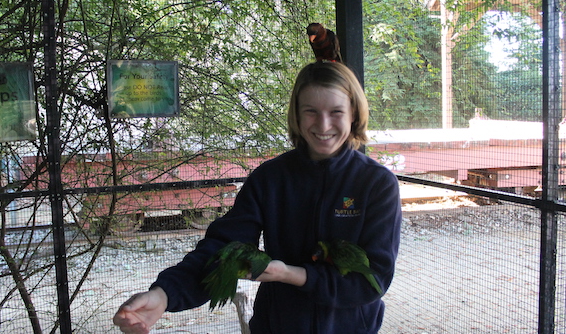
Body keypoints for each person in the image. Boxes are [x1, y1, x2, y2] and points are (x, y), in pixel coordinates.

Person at [113, 60, 402, 334]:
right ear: (297, 115)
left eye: (336, 112)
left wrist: (292, 274)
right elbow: (223, 249)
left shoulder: (376, 184)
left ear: (354, 113)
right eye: (311, 111)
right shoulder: (270, 179)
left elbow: (372, 282)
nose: (323, 125)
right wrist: (165, 295)